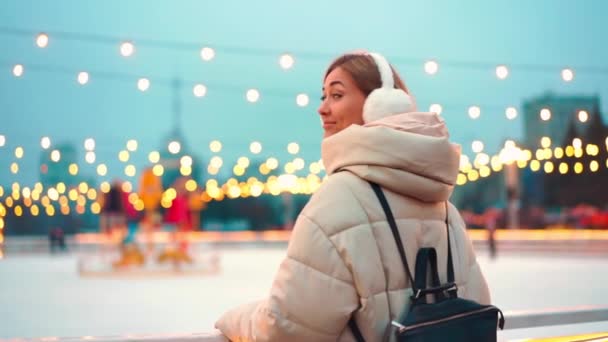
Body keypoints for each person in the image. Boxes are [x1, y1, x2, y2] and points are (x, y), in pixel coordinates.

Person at [215, 51, 491, 341]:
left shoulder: (337, 201)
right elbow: (477, 301)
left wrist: (235, 319)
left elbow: (285, 332)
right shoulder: (443, 205)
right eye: (323, 96)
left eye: (336, 95)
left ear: (378, 107)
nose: (322, 109)